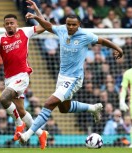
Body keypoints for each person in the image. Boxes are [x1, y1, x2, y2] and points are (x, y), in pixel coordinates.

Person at [17, 12, 123, 149]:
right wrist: (37, 17)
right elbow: (48, 26)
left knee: (49, 103)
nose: (70, 27)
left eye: (74, 25)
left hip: (74, 78)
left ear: (79, 25)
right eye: (68, 24)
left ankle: (28, 135)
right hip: (62, 77)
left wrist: (118, 48)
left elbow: (102, 40)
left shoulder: (85, 36)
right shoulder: (62, 30)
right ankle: (92, 108)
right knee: (64, 108)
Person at [0, 0, 47, 149]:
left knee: (3, 98)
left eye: (12, 23)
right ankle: (40, 133)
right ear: (5, 25)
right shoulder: (0, 38)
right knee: (21, 110)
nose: (9, 25)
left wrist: (37, 11)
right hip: (9, 79)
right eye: (7, 23)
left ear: (16, 23)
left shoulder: (25, 32)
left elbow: (44, 27)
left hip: (22, 75)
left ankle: (19, 124)